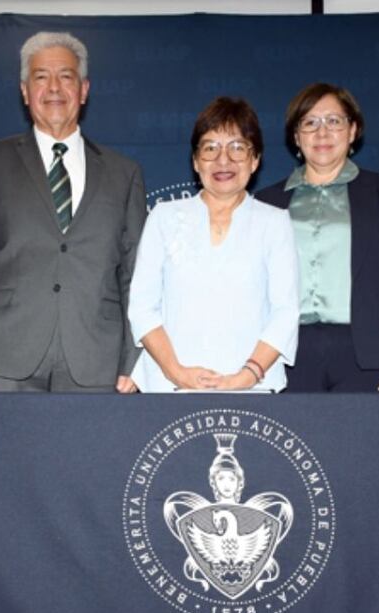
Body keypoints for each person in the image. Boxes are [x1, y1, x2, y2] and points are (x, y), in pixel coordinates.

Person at [0, 31, 145, 393]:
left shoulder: (124, 173)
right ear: (25, 91)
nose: (54, 87)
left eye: (66, 76)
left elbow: (135, 275)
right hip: (3, 357)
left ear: (83, 90)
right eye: (41, 77)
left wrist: (135, 358)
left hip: (96, 359)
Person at [256, 83, 379, 393]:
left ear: (353, 131)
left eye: (334, 121)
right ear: (296, 136)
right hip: (287, 356)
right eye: (310, 122)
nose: (322, 132)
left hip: (369, 356)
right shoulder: (267, 202)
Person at [128, 97, 299, 393]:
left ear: (255, 159)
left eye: (237, 147)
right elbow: (142, 307)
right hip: (170, 385)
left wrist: (247, 376)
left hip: (253, 387)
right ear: (196, 161)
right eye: (210, 148)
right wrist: (177, 373)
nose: (223, 160)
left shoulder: (274, 222)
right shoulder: (163, 217)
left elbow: (285, 311)